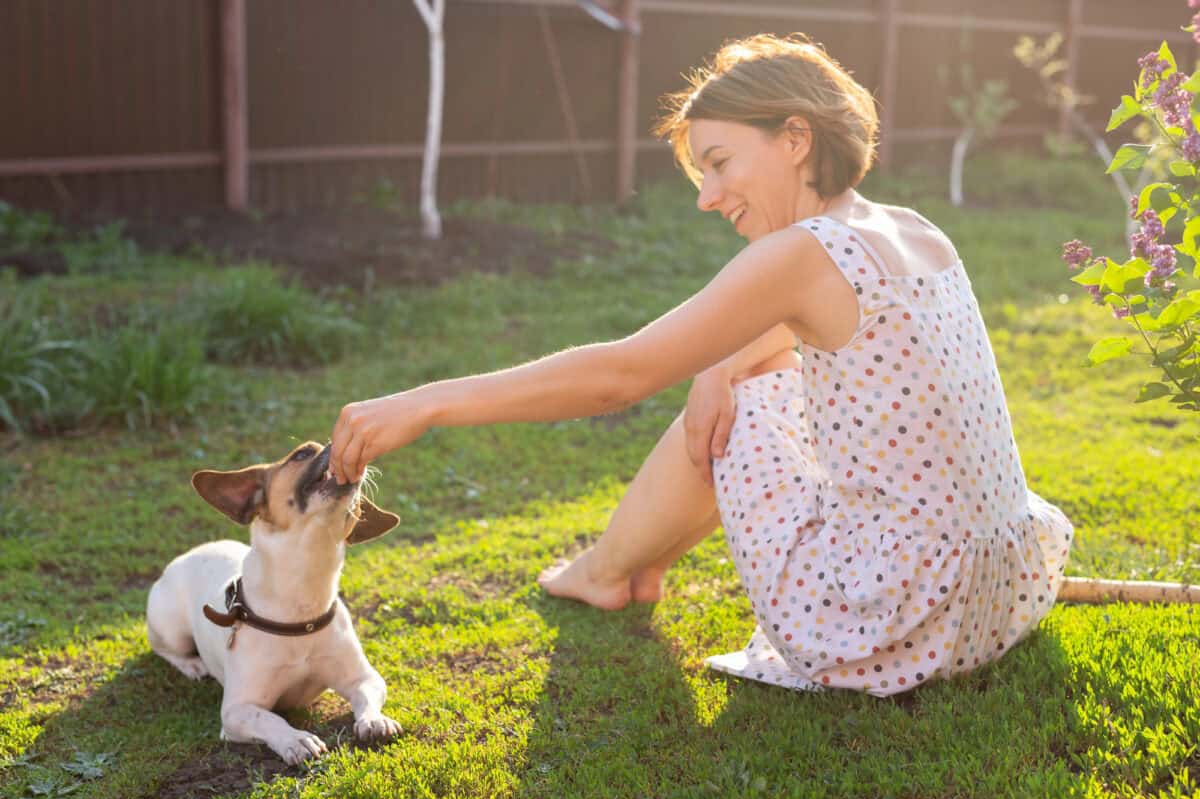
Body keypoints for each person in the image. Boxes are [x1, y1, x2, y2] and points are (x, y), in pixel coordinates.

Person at [330, 33, 1073, 696]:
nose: (707, 199)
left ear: (793, 138)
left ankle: (607, 571)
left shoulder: (800, 252)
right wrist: (715, 367)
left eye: (719, 164)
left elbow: (618, 376)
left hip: (887, 620)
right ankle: (625, 566)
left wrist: (423, 404)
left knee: (750, 393)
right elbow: (814, 336)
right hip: (996, 594)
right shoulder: (911, 230)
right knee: (742, 374)